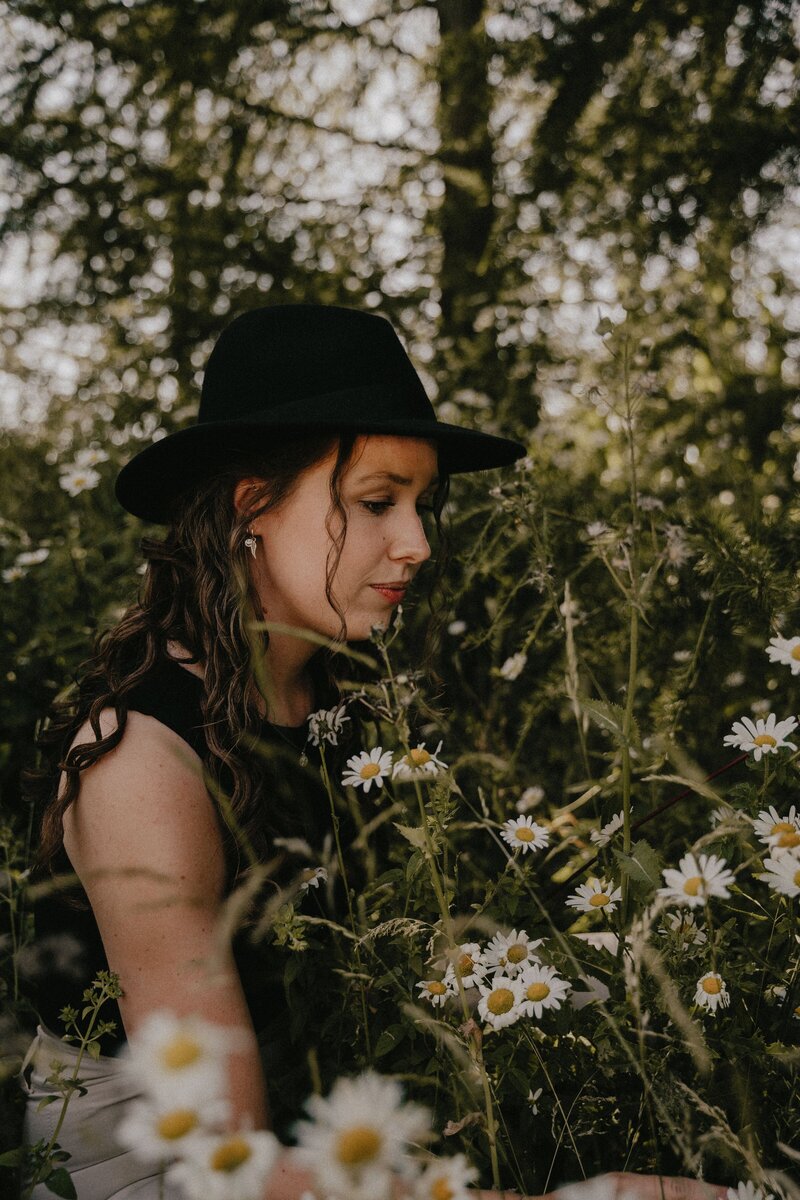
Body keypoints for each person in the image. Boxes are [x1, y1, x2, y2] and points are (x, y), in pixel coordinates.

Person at [20, 304, 723, 1200]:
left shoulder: (343, 705)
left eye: (423, 506)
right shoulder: (144, 766)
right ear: (252, 509)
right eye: (376, 501)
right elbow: (227, 1168)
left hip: (325, 1114)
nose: (419, 543)